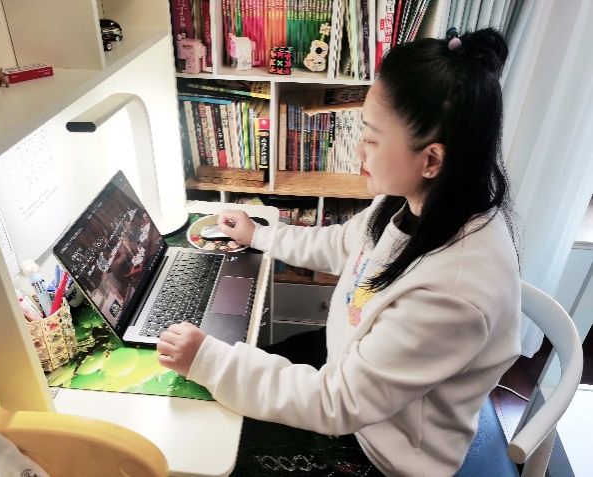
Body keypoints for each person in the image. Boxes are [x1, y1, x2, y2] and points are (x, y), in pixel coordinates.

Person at [157, 27, 521, 477]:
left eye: (371, 137)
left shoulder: (454, 292)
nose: (358, 151)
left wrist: (209, 361)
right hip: (348, 374)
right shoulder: (416, 202)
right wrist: (261, 235)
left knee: (204, 450)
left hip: (380, 449)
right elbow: (342, 244)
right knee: (222, 383)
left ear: (431, 160)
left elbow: (338, 403)